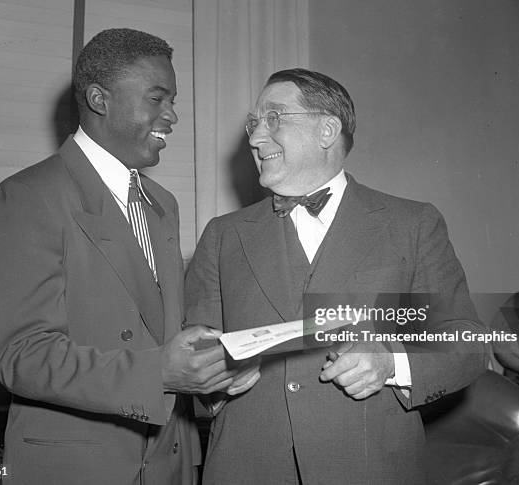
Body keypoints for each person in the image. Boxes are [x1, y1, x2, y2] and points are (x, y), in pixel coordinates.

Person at [185, 68, 487, 484]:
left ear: (327, 129)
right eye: (253, 123)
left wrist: (392, 363)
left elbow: (466, 341)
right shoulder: (222, 235)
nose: (255, 138)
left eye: (274, 118)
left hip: (370, 469)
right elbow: (194, 355)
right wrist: (215, 380)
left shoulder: (412, 224)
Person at [0, 28, 238, 485]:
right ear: (99, 99)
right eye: (157, 98)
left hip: (166, 463)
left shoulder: (163, 205)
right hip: (79, 468)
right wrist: (160, 371)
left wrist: (211, 366)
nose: (172, 115)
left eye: (172, 99)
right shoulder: (24, 198)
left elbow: (156, 330)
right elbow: (21, 355)